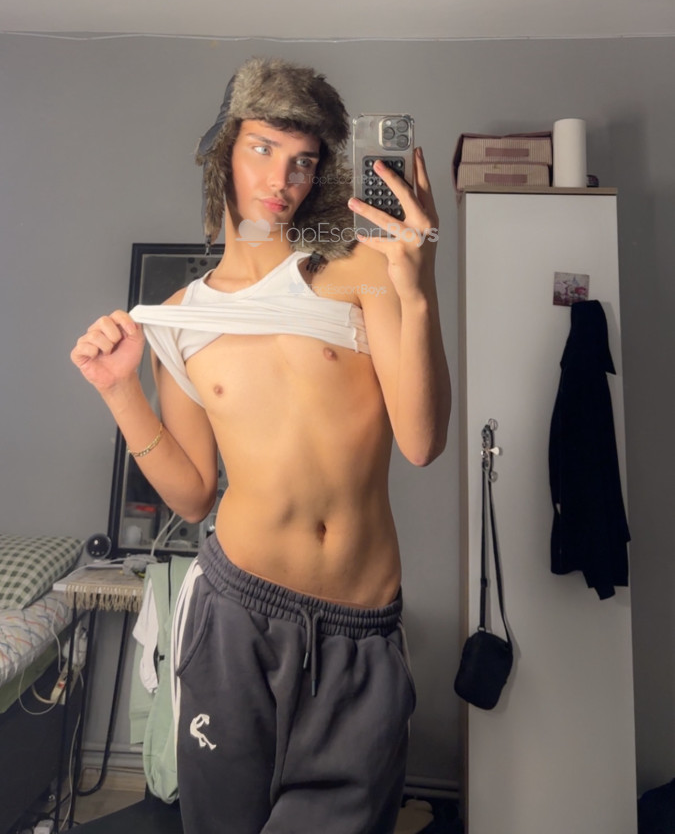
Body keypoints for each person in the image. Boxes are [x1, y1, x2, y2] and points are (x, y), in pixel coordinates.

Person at [70, 56, 451, 834]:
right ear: (225, 154)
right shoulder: (181, 316)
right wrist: (119, 391)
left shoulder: (360, 272)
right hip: (235, 614)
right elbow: (191, 494)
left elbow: (421, 441)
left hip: (358, 630)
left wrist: (417, 286)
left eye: (303, 160)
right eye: (262, 149)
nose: (281, 178)